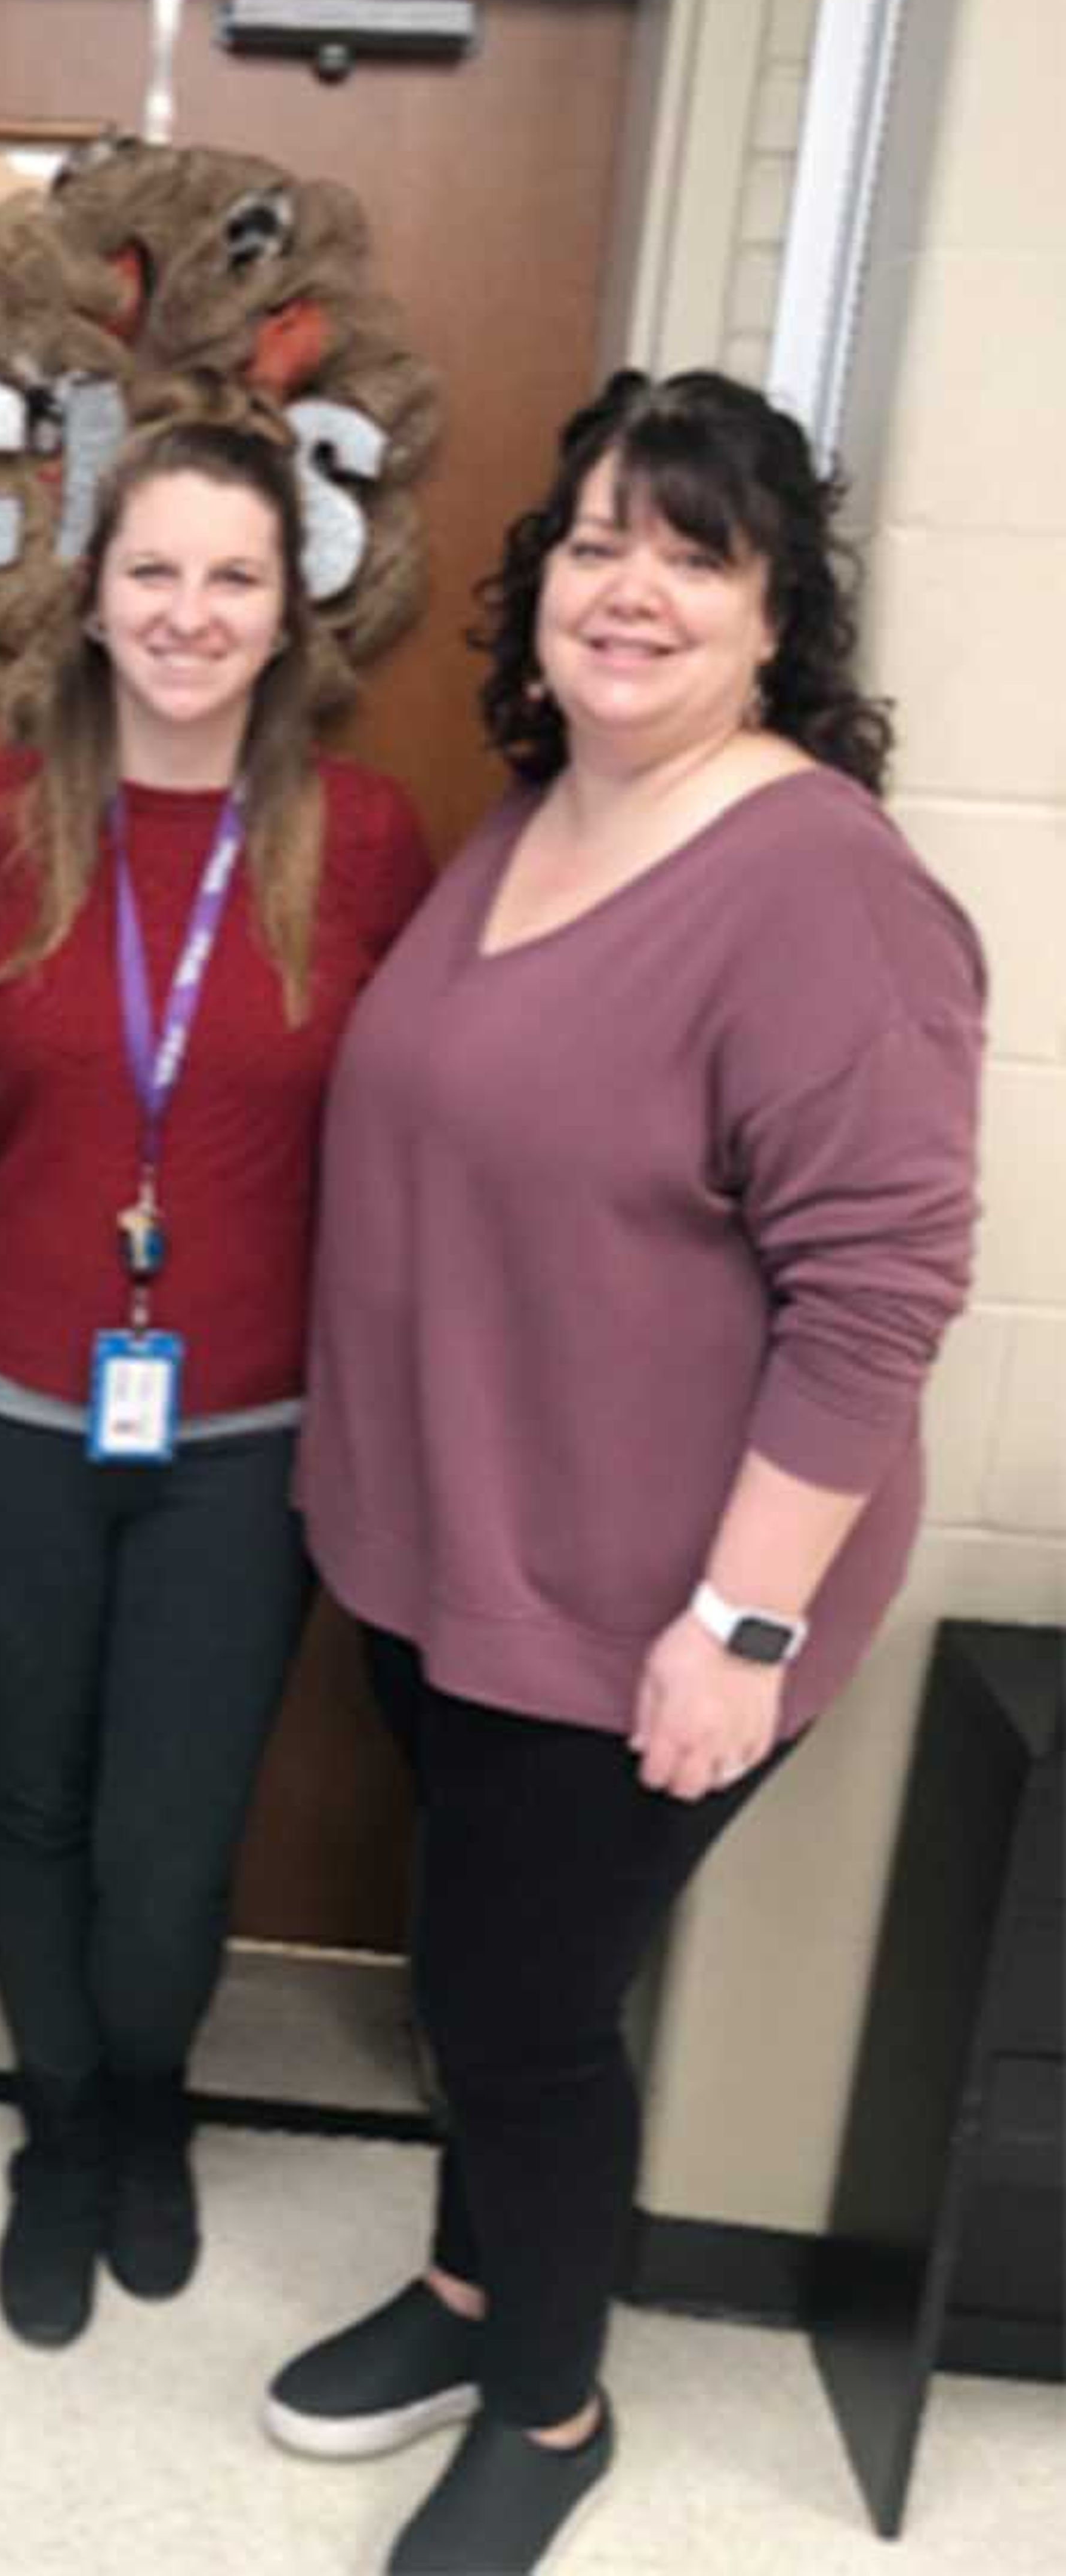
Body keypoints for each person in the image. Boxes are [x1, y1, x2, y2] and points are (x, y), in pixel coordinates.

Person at [266, 369, 985, 2574]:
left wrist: (739, 1625)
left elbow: (878, 1294)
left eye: (697, 551)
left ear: (781, 618)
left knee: (520, 2013)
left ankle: (555, 2413)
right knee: (483, 1974)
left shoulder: (820, 890)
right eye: (598, 540)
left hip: (655, 1598)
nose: (634, 588)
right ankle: (481, 2295)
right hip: (465, 1553)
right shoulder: (544, 810)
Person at [0, 412, 434, 2349]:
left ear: (291, 609)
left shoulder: (363, 838)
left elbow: (422, 1116)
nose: (189, 615)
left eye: (233, 577)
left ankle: (154, 2100)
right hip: (6, 1401)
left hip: (248, 1429)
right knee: (37, 1797)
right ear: (92, 590)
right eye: (154, 571)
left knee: (172, 1827)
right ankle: (60, 2132)